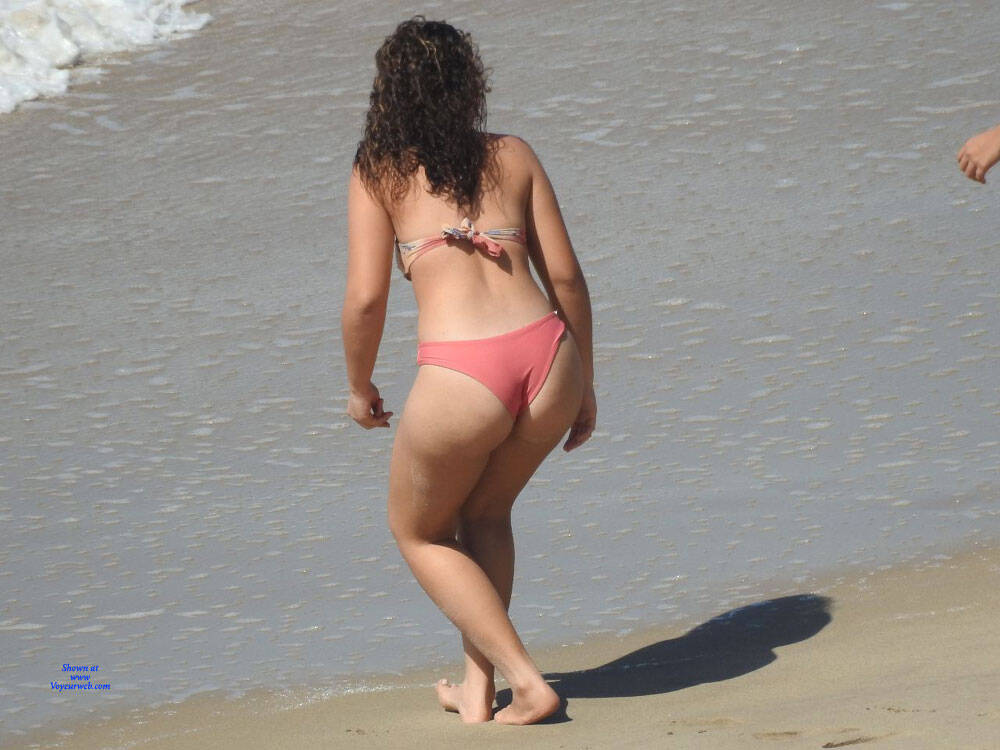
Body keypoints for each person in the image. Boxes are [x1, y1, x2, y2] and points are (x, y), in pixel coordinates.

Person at [341, 17, 596, 725]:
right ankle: (477, 690)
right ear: (468, 84)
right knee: (485, 512)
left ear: (388, 94)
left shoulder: (379, 171)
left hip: (465, 376)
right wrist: (586, 383)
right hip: (550, 357)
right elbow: (567, 278)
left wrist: (359, 386)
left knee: (417, 532)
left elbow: (365, 300)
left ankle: (528, 682)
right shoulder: (513, 154)